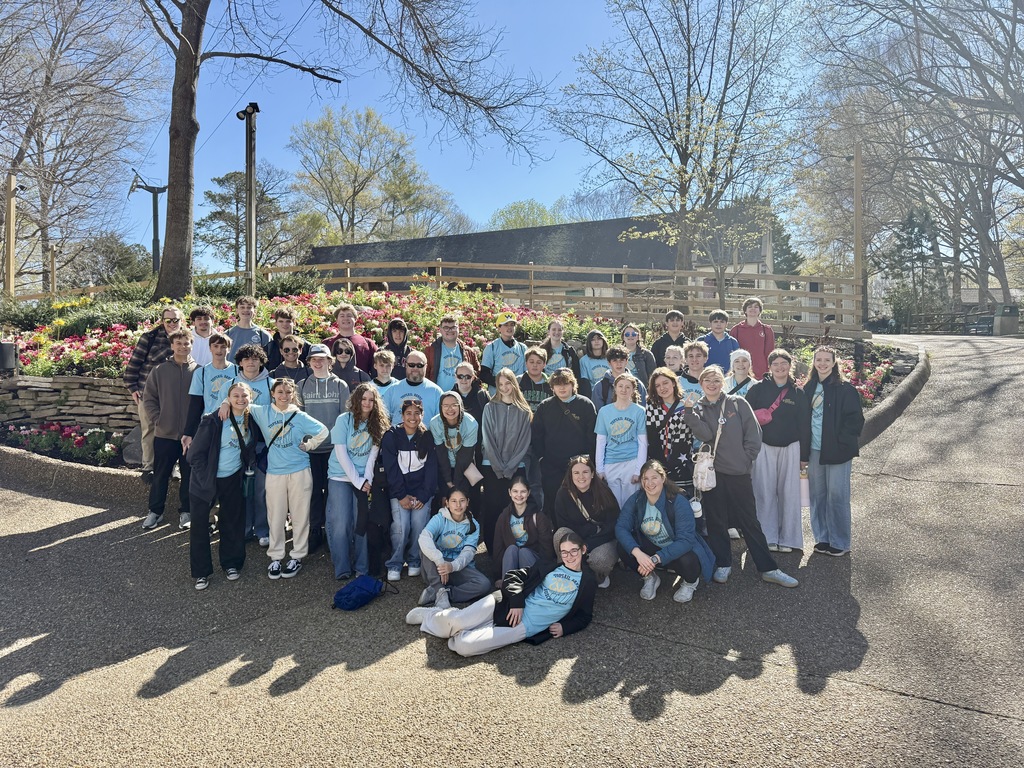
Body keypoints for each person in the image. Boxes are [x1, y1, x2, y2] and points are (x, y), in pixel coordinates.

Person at [683, 366, 799, 588]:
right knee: (717, 521)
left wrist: (747, 460)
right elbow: (705, 435)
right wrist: (689, 413)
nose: (712, 384)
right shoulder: (700, 408)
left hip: (739, 473)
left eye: (716, 379)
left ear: (722, 382)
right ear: (701, 384)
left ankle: (769, 568)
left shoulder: (738, 403)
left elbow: (754, 434)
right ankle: (723, 563)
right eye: (707, 380)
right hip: (714, 475)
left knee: (749, 522)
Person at [405, 529, 597, 657]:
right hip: (504, 603)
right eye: (564, 552)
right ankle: (432, 616)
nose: (569, 557)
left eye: (574, 551)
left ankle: (451, 622)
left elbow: (584, 616)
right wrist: (517, 602)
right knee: (457, 622)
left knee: (463, 647)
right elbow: (513, 577)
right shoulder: (549, 567)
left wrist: (565, 627)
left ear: (583, 549)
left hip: (524, 627)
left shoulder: (587, 581)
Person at [247, 378, 329, 580]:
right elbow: (240, 402)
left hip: (300, 471)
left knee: (300, 516)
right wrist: (224, 403)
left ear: (293, 395)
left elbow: (323, 431)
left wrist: (309, 446)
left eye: (288, 392)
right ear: (273, 393)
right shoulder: (263, 412)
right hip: (275, 472)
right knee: (275, 515)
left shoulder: (299, 416)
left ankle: (297, 556)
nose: (284, 396)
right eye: (280, 392)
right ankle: (275, 557)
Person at [615, 460, 715, 603]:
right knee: (624, 547)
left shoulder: (678, 501)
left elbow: (686, 540)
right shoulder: (637, 499)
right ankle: (650, 577)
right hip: (652, 546)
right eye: (645, 479)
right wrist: (639, 555)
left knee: (688, 560)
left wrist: (655, 559)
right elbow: (621, 527)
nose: (649, 483)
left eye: (654, 477)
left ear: (663, 478)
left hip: (676, 550)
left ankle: (690, 583)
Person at [186, 382, 253, 590]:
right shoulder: (214, 420)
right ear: (228, 398)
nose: (240, 399)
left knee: (232, 521)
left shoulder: (252, 419)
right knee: (199, 527)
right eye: (235, 396)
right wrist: (205, 477)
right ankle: (201, 573)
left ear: (251, 398)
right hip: (205, 481)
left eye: (244, 396)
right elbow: (194, 455)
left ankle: (231, 564)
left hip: (232, 478)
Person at [803, 345, 864, 557]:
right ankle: (822, 538)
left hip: (837, 451)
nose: (822, 363)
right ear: (813, 362)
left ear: (834, 362)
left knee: (837, 496)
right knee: (818, 496)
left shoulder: (845, 389)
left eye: (826, 360)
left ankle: (840, 541)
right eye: (818, 359)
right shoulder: (808, 388)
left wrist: (841, 442)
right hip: (814, 450)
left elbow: (855, 421)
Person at [746, 349, 810, 553]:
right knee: (764, 492)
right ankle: (768, 536)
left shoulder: (798, 393)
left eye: (784, 363)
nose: (780, 367)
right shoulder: (757, 390)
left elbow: (804, 426)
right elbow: (746, 419)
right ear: (769, 367)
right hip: (763, 448)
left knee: (789, 494)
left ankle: (789, 539)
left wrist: (804, 456)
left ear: (790, 366)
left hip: (791, 448)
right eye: (776, 364)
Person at [326, 383, 390, 580]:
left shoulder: (378, 422)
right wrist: (357, 481)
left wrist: (367, 479)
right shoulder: (343, 420)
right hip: (340, 476)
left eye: (371, 400)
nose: (367, 403)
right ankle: (342, 568)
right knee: (340, 523)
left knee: (361, 523)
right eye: (363, 399)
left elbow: (373, 455)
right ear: (356, 400)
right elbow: (341, 453)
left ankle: (362, 568)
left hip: (363, 479)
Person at [142, 329, 198, 530]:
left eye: (187, 343)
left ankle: (186, 512)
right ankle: (155, 512)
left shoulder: (199, 371)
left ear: (192, 345)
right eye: (179, 343)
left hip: (190, 436)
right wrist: (158, 419)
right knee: (160, 475)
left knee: (189, 475)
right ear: (172, 345)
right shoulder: (159, 371)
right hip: (164, 434)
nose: (183, 346)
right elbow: (149, 399)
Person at [298, 343, 350, 554]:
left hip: (332, 449)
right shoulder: (301, 385)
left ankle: (331, 532)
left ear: (330, 361)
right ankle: (315, 531)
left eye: (323, 359)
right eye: (314, 359)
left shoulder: (340, 385)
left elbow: (344, 419)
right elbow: (299, 417)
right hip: (310, 450)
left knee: (331, 493)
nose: (318, 362)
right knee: (312, 493)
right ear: (309, 362)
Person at [381, 399, 439, 581]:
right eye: (408, 413)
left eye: (417, 413)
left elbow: (431, 471)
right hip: (400, 493)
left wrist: (422, 495)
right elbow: (391, 469)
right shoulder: (391, 436)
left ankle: (414, 560)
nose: (412, 418)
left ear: (422, 415)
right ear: (402, 415)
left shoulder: (427, 437)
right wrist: (401, 495)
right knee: (401, 525)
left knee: (419, 523)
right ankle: (395, 563)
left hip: (422, 492)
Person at [124, 306, 180, 482]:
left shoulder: (185, 340)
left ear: (182, 320)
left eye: (176, 320)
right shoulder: (149, 338)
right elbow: (133, 366)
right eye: (168, 320)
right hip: (148, 394)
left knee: (174, 431)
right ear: (162, 321)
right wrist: (133, 388)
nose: (172, 323)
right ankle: (149, 467)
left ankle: (173, 467)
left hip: (174, 395)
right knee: (149, 430)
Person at [532, 367, 597, 520]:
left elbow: (593, 436)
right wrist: (542, 457)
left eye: (565, 383)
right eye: (557, 384)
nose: (562, 387)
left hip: (579, 465)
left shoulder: (586, 405)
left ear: (572, 385)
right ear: (552, 387)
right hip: (551, 466)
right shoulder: (544, 406)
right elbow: (537, 435)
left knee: (581, 504)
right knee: (553, 503)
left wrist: (587, 461)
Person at [480, 369, 533, 553]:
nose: (504, 388)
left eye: (507, 383)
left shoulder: (524, 411)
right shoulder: (490, 407)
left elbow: (523, 442)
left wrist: (510, 468)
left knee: (513, 508)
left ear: (514, 383)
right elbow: (487, 440)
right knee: (493, 507)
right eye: (500, 384)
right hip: (492, 467)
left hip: (516, 468)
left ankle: (512, 546)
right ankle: (492, 548)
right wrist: (498, 467)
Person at [415, 486, 492, 608]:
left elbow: (468, 552)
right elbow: (423, 538)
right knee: (426, 545)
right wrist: (440, 562)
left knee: (484, 584)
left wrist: (452, 566)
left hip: (458, 568)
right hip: (437, 570)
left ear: (467, 502)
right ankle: (439, 589)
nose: (458, 505)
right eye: (454, 501)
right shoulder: (440, 518)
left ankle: (443, 593)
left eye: (462, 500)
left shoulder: (473, 525)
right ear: (447, 503)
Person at [552, 455, 620, 588]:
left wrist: (590, 544)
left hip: (603, 539)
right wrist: (587, 533)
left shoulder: (603, 491)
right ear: (570, 475)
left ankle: (598, 577)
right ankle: (566, 572)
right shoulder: (563, 494)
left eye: (585, 472)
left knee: (600, 560)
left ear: (593, 473)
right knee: (560, 534)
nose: (581, 477)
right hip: (577, 537)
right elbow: (562, 525)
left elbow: (613, 524)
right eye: (576, 473)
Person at [232, 343, 273, 545]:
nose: (251, 362)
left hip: (262, 446)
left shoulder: (270, 384)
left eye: (255, 358)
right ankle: (245, 529)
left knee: (261, 491)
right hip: (236, 447)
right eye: (246, 359)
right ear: (240, 362)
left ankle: (262, 530)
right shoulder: (231, 383)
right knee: (242, 491)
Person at [596, 374, 648, 508]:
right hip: (611, 463)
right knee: (613, 504)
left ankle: (629, 529)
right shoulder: (604, 411)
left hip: (631, 461)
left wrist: (639, 470)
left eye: (628, 387)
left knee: (630, 504)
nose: (623, 390)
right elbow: (601, 442)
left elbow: (642, 443)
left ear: (633, 390)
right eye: (620, 386)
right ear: (615, 388)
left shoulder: (640, 411)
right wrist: (599, 469)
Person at [492, 474, 554, 581]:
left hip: (531, 560)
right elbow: (498, 545)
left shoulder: (538, 517)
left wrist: (546, 571)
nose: (519, 495)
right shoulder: (504, 516)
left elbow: (546, 546)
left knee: (524, 552)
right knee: (511, 549)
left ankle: (530, 585)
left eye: (523, 491)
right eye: (515, 491)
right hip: (512, 560)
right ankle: (508, 587)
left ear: (529, 493)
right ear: (509, 492)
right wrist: (498, 576)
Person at [645, 367, 694, 494]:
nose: (662, 388)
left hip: (683, 461)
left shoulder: (685, 403)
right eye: (658, 385)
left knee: (686, 498)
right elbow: (652, 437)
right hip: (661, 461)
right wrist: (662, 465)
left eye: (665, 383)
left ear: (673, 382)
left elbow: (691, 432)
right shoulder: (652, 406)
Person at [184, 332, 238, 436]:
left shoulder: (238, 371)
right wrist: (188, 433)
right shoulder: (201, 372)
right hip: (209, 423)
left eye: (223, 347)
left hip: (233, 423)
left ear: (229, 349)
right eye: (215, 346)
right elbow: (195, 404)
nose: (219, 350)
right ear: (210, 348)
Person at [430, 392, 479, 503]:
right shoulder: (435, 423)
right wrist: (447, 480)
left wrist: (455, 484)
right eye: (445, 405)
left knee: (462, 500)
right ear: (440, 407)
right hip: (444, 467)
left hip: (464, 467)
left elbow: (465, 456)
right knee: (445, 501)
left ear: (460, 406)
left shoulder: (471, 424)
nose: (450, 409)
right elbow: (441, 452)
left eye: (454, 405)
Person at [384, 350, 444, 425]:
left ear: (426, 366)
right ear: (406, 365)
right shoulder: (392, 390)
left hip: (425, 435)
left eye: (419, 365)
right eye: (411, 365)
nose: (415, 368)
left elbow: (442, 421)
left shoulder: (436, 392)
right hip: (397, 435)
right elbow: (383, 419)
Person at [425, 314, 480, 392]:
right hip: (438, 396)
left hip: (462, 397)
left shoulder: (469, 352)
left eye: (453, 327)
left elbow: (476, 373)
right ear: (440, 329)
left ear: (458, 329)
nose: (450, 331)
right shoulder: (430, 351)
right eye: (446, 328)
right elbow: (425, 374)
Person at [322, 302, 378, 374]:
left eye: (349, 316)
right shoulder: (327, 343)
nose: (345, 318)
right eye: (342, 316)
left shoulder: (368, 344)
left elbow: (377, 367)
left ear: (355, 319)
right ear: (337, 320)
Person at [731, 297, 776, 379]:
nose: (753, 309)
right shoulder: (736, 330)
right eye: (750, 307)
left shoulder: (767, 330)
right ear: (745, 310)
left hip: (761, 372)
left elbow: (770, 353)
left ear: (760, 310)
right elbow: (733, 354)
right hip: (742, 372)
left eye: (756, 307)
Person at [480, 310, 527, 389]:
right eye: (506, 325)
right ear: (499, 328)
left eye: (512, 325)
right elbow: (484, 374)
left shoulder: (523, 348)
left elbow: (527, 373)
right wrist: (502, 385)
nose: (509, 327)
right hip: (497, 394)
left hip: (517, 394)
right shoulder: (491, 348)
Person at [592, 345, 648, 410]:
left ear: (626, 361)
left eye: (621, 360)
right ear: (609, 363)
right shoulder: (600, 387)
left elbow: (643, 410)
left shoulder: (637, 384)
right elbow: (599, 415)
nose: (619, 364)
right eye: (615, 361)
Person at [451, 361, 489, 426]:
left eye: (468, 377)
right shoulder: (450, 398)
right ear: (455, 377)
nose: (464, 380)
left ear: (473, 377)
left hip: (479, 435)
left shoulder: (482, 395)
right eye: (460, 376)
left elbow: (491, 419)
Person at [578, 330, 610, 398]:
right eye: (593, 339)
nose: (596, 341)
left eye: (599, 338)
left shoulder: (610, 357)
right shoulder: (584, 360)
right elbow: (585, 382)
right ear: (589, 342)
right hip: (593, 395)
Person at [519, 347, 552, 413]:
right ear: (526, 363)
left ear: (544, 364)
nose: (535, 365)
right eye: (531, 362)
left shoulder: (551, 383)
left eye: (539, 362)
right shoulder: (517, 381)